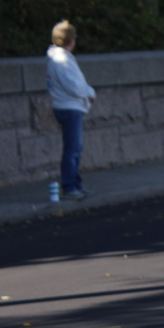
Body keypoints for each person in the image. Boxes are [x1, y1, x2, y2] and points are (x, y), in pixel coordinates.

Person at [46, 20, 95, 200]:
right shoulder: (61, 60)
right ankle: (70, 186)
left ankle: (76, 184)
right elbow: (74, 86)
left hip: (68, 106)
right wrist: (90, 93)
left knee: (75, 147)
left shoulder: (59, 58)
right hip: (69, 107)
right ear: (71, 41)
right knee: (72, 148)